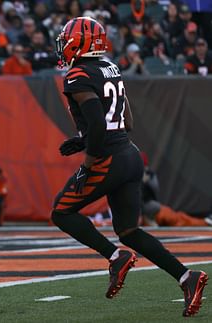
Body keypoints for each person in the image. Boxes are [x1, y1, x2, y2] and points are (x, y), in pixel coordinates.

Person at [53, 16, 207, 317]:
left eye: (66, 39)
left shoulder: (77, 74)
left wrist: (88, 161)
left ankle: (115, 256)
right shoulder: (111, 67)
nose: (63, 44)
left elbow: (98, 123)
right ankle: (187, 278)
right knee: (129, 230)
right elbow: (127, 122)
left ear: (80, 41)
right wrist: (85, 139)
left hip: (107, 158)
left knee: (61, 212)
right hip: (130, 155)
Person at [140, 152, 212, 227]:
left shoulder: (148, 175)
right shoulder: (135, 177)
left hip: (149, 211)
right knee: (173, 217)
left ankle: (205, 223)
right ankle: (204, 224)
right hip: (141, 213)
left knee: (175, 217)